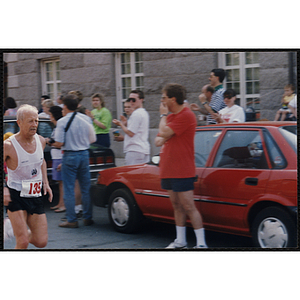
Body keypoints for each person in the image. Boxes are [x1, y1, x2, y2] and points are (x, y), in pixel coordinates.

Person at [155, 83, 207, 249]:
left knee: (188, 206)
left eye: (164, 97)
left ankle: (201, 244)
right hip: (168, 168)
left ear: (173, 99)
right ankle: (181, 241)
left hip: (182, 169)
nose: (161, 101)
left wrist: (162, 117)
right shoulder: (171, 118)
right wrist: (165, 132)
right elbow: (158, 140)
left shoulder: (186, 115)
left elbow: (163, 133)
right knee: (176, 205)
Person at [3, 104, 53, 249]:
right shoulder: (9, 145)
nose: (34, 124)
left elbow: (41, 161)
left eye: (36, 121)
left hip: (35, 193)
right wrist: (4, 188)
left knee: (41, 241)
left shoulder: (41, 141)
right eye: (30, 121)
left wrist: (46, 182)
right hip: (15, 194)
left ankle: (13, 229)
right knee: (23, 241)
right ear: (19, 122)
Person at [54, 94, 93, 228]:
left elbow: (59, 143)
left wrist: (50, 142)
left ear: (65, 106)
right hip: (84, 154)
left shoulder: (62, 122)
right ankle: (88, 217)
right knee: (85, 188)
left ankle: (72, 219)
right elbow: (91, 138)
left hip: (70, 154)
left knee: (69, 188)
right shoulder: (86, 118)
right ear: (77, 105)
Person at [113, 90, 150, 165]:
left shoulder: (136, 113)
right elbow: (137, 131)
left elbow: (131, 133)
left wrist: (120, 124)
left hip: (135, 150)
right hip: (143, 149)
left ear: (141, 100)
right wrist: (126, 124)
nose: (131, 102)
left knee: (132, 175)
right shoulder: (143, 112)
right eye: (130, 99)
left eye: (134, 100)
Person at [46, 106, 65, 213]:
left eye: (50, 115)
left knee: (62, 183)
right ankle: (60, 203)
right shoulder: (56, 127)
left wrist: (49, 142)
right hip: (56, 157)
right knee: (59, 183)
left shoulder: (59, 128)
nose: (50, 117)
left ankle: (63, 204)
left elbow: (59, 144)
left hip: (59, 157)